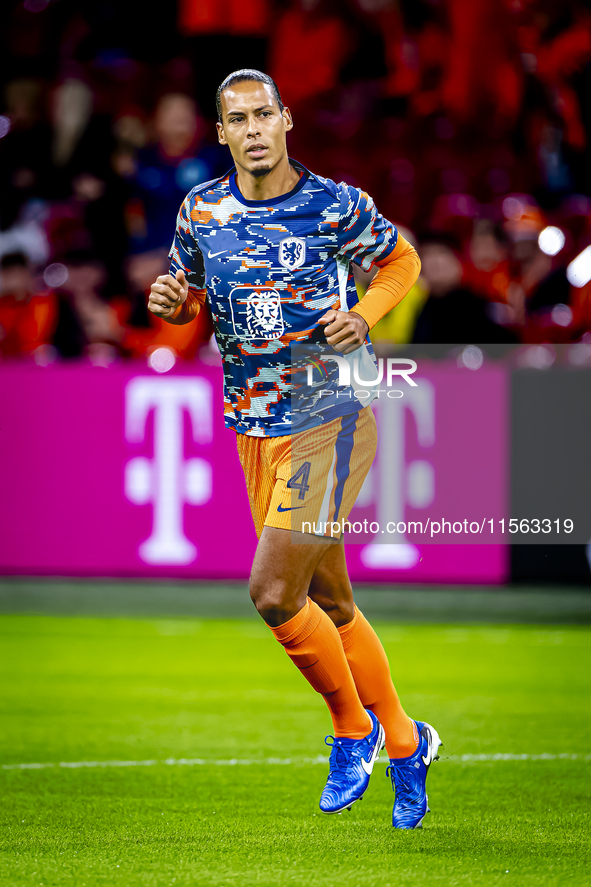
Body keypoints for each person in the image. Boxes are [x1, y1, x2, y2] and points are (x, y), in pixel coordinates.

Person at [147, 69, 441, 829]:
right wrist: (168, 301)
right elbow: (187, 290)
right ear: (220, 132)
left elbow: (401, 259)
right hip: (253, 424)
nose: (250, 129)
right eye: (235, 118)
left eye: (262, 115)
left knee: (274, 593)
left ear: (285, 122)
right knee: (330, 601)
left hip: (331, 415)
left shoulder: (335, 204)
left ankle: (355, 729)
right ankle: (408, 742)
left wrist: (366, 313)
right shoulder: (201, 209)